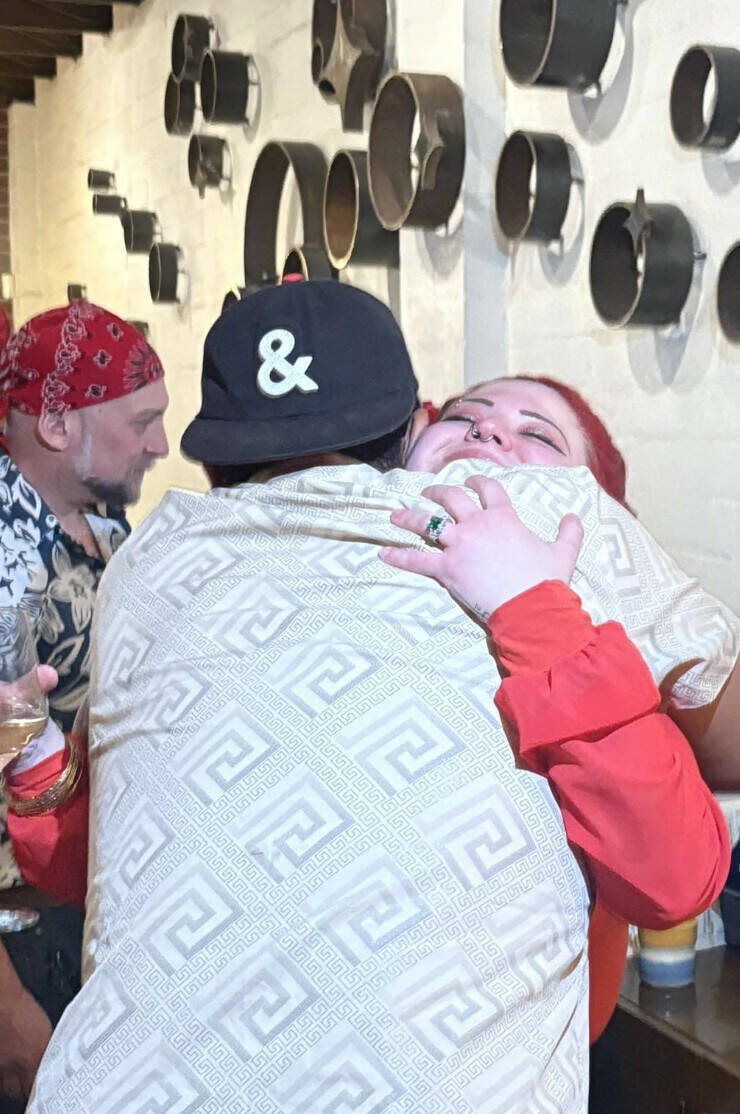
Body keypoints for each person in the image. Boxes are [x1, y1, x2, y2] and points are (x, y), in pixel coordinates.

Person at [10, 283, 736, 1111]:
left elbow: (674, 865)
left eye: (538, 436)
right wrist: (38, 764)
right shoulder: (215, 567)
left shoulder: (151, 556)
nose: (492, 436)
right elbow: (127, 870)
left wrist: (540, 611)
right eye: (467, 418)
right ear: (408, 442)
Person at [0, 301, 168, 1108]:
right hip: (19, 944)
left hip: (94, 919)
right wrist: (12, 1018)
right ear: (60, 425)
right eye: (142, 421)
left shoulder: (109, 528)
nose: (161, 444)